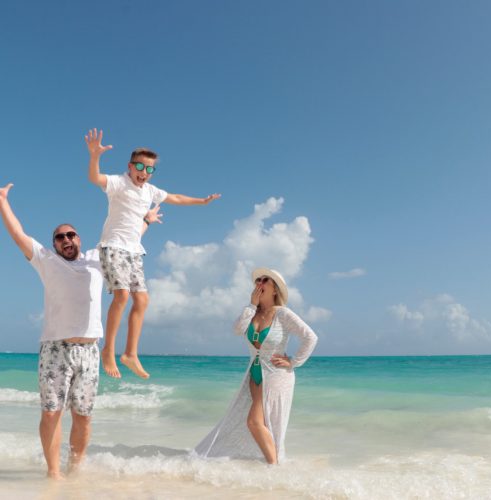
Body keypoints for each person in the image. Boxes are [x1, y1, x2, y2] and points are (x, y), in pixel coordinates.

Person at [0, 183, 160, 479]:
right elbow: (18, 234)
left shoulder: (96, 258)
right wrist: (2, 201)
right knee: (51, 413)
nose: (65, 240)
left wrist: (146, 220)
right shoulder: (45, 261)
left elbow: (125, 239)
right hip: (55, 349)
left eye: (70, 234)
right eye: (59, 237)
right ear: (55, 244)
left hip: (89, 351)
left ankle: (75, 469)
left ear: (79, 238)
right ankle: (53, 472)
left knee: (83, 417)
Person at [85, 128, 221, 379]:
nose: (144, 173)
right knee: (122, 296)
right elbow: (95, 178)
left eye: (150, 169)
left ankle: (130, 354)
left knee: (143, 300)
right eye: (140, 167)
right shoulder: (118, 183)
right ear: (130, 166)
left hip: (135, 251)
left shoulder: (150, 191)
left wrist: (202, 202)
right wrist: (95, 156)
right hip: (112, 246)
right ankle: (108, 350)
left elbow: (176, 198)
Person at [195, 268, 318, 464]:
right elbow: (237, 330)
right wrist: (251, 305)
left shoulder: (283, 314)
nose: (259, 283)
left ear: (275, 290)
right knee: (261, 423)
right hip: (255, 374)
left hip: (277, 375)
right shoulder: (252, 312)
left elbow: (310, 337)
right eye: (258, 280)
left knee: (255, 422)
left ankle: (274, 466)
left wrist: (293, 362)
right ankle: (273, 467)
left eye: (265, 280)